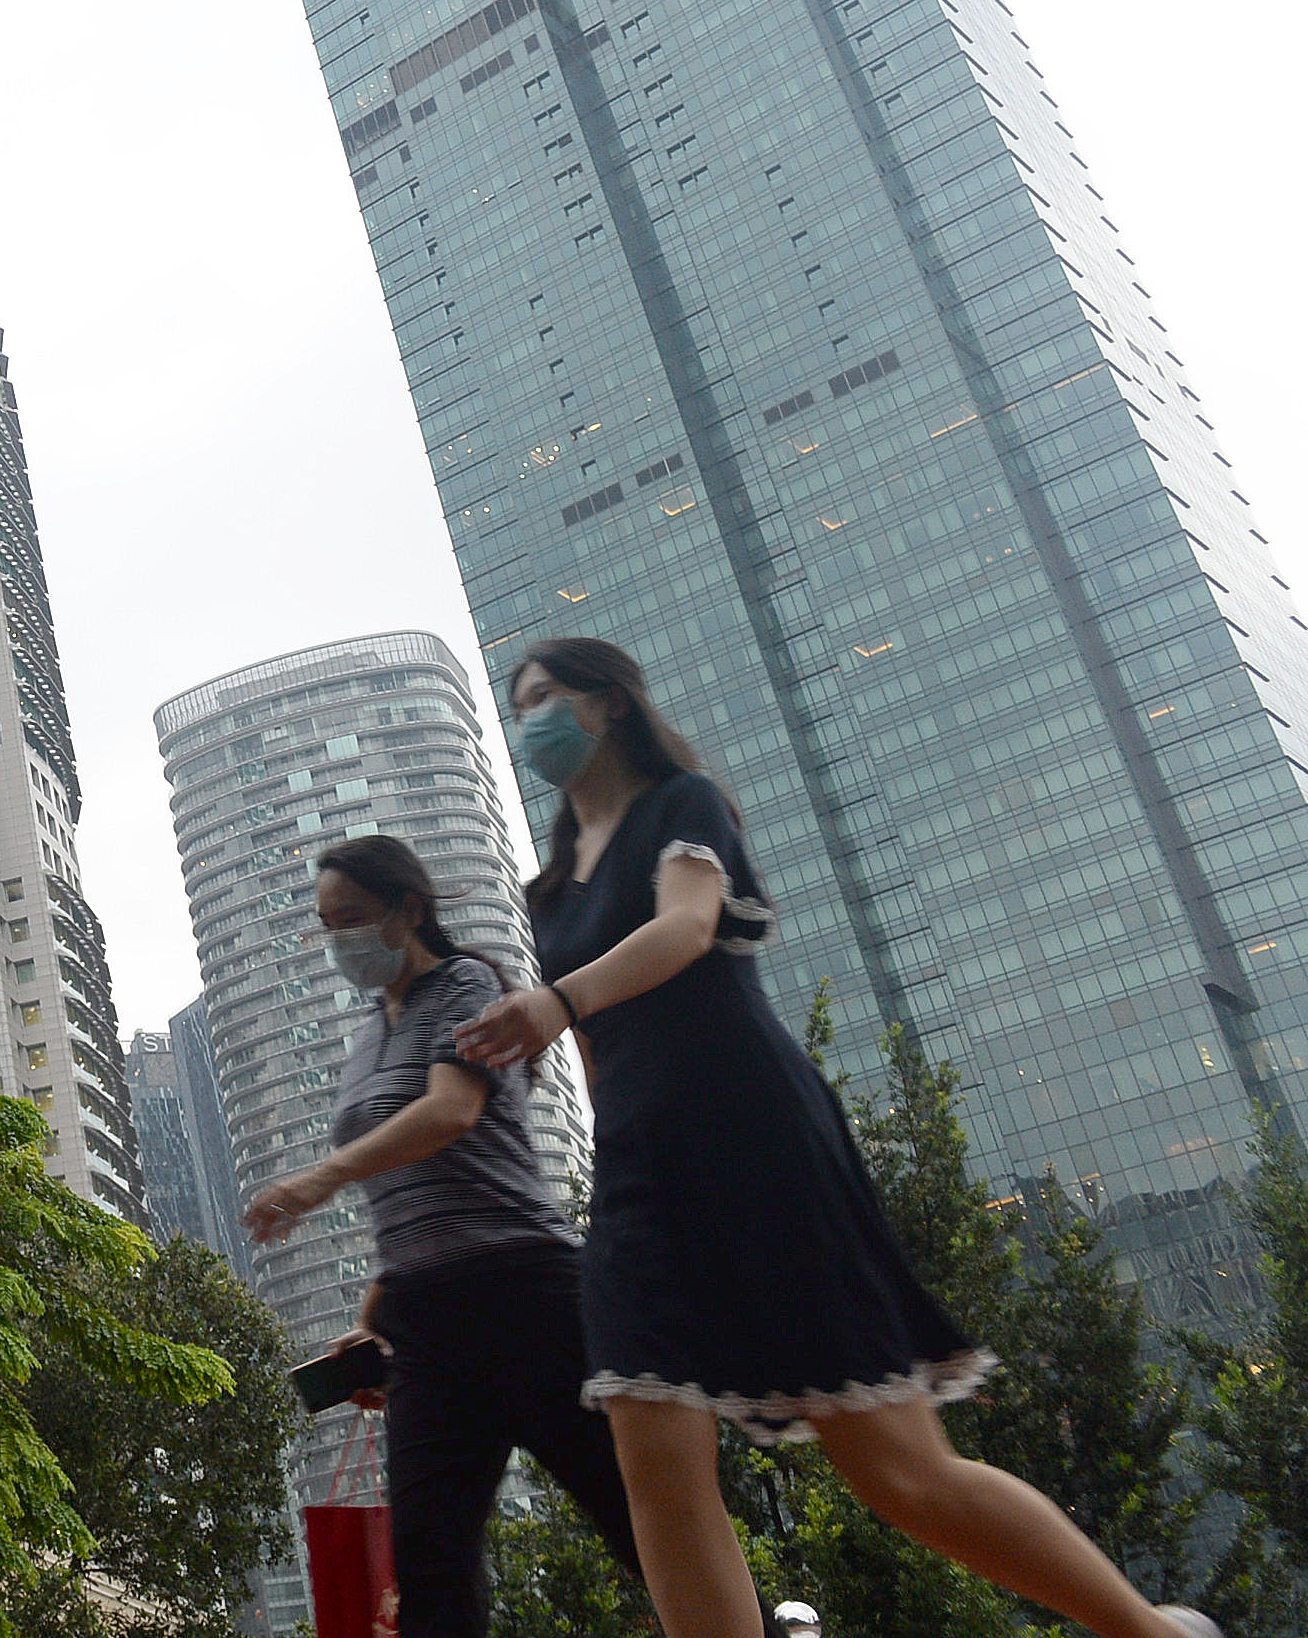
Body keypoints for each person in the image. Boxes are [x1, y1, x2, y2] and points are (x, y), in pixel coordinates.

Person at [452, 636, 1222, 1638]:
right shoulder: (548, 892)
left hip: (754, 1135)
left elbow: (688, 929)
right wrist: (601, 1131)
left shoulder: (683, 805)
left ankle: (1151, 1630)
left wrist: (557, 1001)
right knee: (657, 1471)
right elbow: (595, 1053)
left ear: (610, 704)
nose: (533, 719)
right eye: (520, 704)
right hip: (641, 1169)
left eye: (548, 694)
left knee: (902, 1474)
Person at [239, 832, 644, 1637]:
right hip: (424, 1321)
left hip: (525, 1294)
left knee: (639, 1520)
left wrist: (321, 1178)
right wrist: (372, 1318)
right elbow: (408, 1197)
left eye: (352, 917)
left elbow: (451, 1112)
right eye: (327, 923)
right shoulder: (367, 1036)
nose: (339, 939)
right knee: (428, 1565)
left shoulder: (466, 985)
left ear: (409, 910)